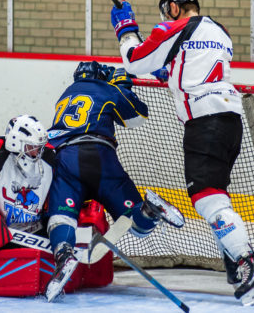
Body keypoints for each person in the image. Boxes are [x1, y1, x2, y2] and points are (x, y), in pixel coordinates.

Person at [110, 0, 254, 306]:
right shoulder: (220, 30)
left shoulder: (172, 28)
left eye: (167, 11)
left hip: (205, 121)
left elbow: (134, 59)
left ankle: (249, 265)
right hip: (230, 119)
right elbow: (193, 63)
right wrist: (170, 71)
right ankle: (234, 262)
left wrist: (126, 29)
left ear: (173, 7)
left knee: (206, 199)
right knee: (216, 194)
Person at [45, 61, 184, 302]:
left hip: (65, 159)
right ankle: (149, 210)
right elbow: (137, 117)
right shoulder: (107, 89)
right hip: (99, 157)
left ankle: (65, 257)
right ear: (100, 77)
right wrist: (123, 85)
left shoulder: (64, 95)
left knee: (61, 217)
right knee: (138, 226)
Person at [0, 114, 54, 251]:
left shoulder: (50, 158)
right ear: (15, 142)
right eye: (32, 146)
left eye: (40, 147)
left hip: (35, 234)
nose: (38, 152)